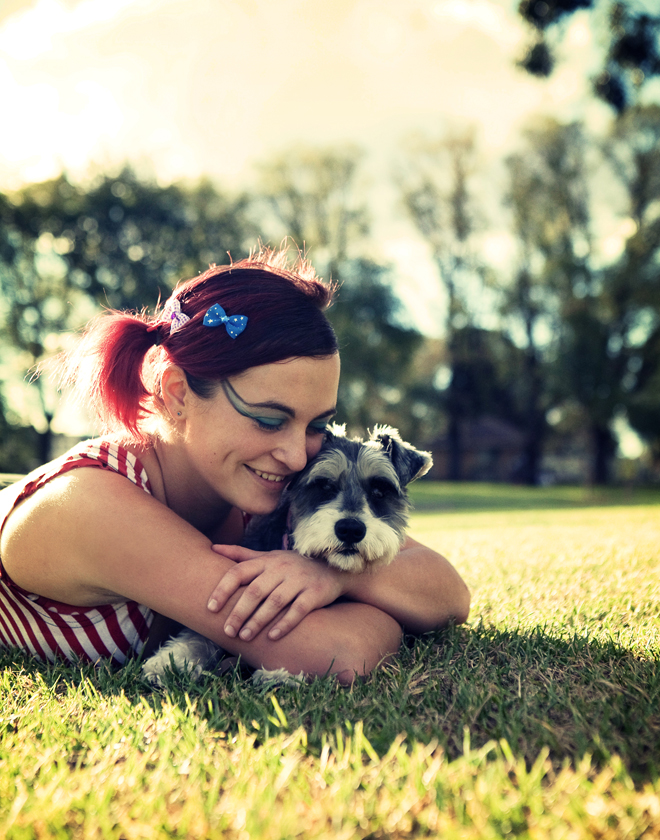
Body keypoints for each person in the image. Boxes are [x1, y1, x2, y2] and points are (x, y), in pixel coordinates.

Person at [0, 246, 470, 684]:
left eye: (316, 425)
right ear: (178, 393)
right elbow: (337, 653)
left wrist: (331, 575)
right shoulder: (91, 506)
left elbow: (449, 593)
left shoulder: (264, 491)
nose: (296, 456)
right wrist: (376, 598)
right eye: (269, 419)